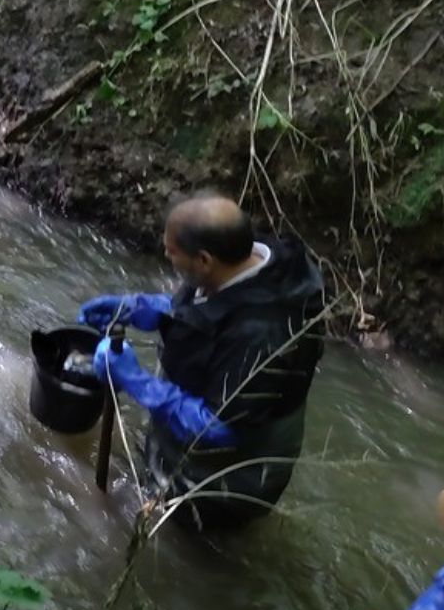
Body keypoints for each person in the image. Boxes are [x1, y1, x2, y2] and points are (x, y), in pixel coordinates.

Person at [80, 193, 325, 530]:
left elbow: (219, 428)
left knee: (189, 537)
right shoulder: (248, 256)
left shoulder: (262, 336)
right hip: (208, 417)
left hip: (228, 474)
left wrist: (137, 382)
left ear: (205, 260)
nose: (166, 255)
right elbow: (213, 310)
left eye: (173, 252)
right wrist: (147, 308)